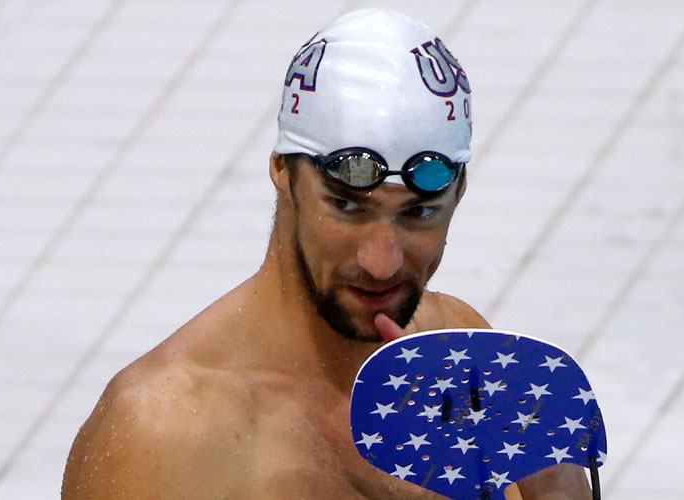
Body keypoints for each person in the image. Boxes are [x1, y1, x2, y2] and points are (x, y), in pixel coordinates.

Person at [62, 9, 591, 499]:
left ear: (460, 192)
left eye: (418, 213)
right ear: (282, 171)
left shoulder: (460, 350)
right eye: (347, 205)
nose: (381, 261)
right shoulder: (167, 430)